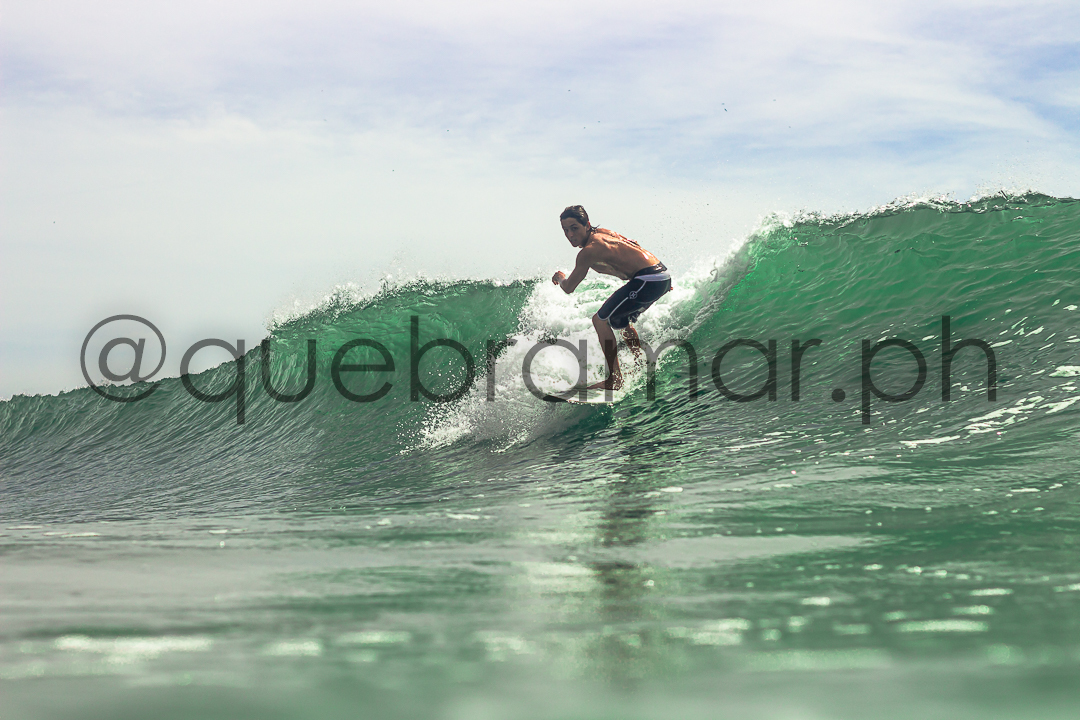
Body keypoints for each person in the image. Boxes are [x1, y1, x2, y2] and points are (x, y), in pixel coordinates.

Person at [551, 205, 671, 390]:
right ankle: (640, 362)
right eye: (565, 230)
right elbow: (634, 243)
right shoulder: (604, 233)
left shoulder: (588, 252)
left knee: (599, 320)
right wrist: (660, 278)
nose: (570, 235)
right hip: (659, 274)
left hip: (648, 279)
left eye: (574, 228)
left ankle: (614, 379)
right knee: (618, 320)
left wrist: (560, 277)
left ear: (587, 225)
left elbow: (569, 287)